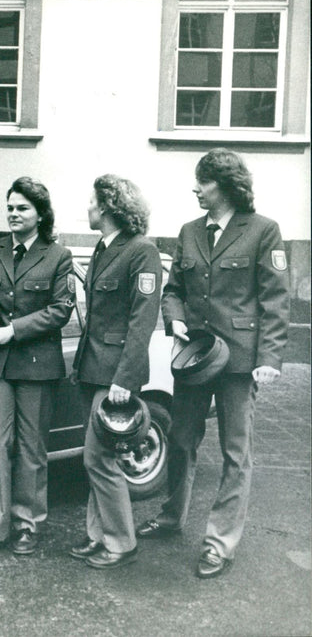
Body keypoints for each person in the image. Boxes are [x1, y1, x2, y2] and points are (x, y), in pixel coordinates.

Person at [136, 148, 290, 579]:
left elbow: (275, 301)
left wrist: (270, 358)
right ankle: (171, 517)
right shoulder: (188, 231)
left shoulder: (263, 231)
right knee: (181, 439)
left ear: (226, 186)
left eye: (203, 182)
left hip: (240, 363)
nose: (195, 188)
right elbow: (173, 290)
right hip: (196, 358)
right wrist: (176, 320)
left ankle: (219, 543)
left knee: (235, 453)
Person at [0, 176, 75, 557]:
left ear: (41, 214)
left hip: (36, 363)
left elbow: (60, 309)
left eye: (22, 208)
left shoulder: (58, 255)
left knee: (31, 447)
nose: (13, 214)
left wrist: (14, 331)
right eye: (9, 207)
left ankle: (28, 524)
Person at [68, 174, 162, 569]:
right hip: (94, 368)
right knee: (97, 457)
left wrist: (123, 380)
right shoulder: (105, 248)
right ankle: (98, 534)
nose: (87, 207)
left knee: (98, 459)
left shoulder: (141, 252)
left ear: (106, 206)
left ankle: (122, 541)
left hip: (115, 376)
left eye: (91, 201)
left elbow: (143, 321)